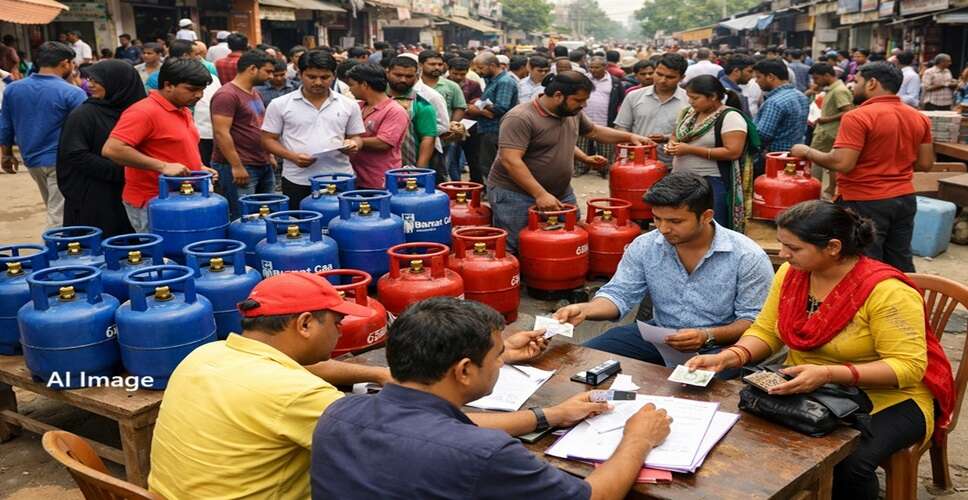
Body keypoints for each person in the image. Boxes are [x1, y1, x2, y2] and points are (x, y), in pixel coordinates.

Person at [686, 200, 955, 500]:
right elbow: (765, 330)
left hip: (891, 396)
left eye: (794, 248)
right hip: (810, 386)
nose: (783, 254)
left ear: (833, 247)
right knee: (741, 435)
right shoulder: (791, 273)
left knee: (849, 463)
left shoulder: (887, 292)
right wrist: (730, 356)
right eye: (782, 244)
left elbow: (907, 368)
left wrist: (828, 373)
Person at [312, 297, 673, 500]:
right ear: (464, 370)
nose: (502, 362)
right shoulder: (484, 455)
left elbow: (439, 428)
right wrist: (638, 439)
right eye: (498, 355)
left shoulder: (337, 414)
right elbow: (594, 496)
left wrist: (551, 415)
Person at [148, 272, 394, 499]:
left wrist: (380, 374)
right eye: (337, 323)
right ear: (305, 324)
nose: (339, 332)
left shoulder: (204, 354)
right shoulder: (298, 394)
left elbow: (300, 367)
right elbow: (386, 450)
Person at [556, 172, 773, 370]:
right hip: (658, 337)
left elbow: (753, 321)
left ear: (706, 216)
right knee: (582, 359)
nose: (663, 229)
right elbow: (620, 293)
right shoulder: (646, 245)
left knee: (694, 393)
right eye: (657, 218)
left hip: (720, 348)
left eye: (675, 221)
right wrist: (586, 310)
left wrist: (708, 335)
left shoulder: (747, 257)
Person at [791, 62, 933, 272]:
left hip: (865, 200)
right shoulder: (919, 116)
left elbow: (843, 163)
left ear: (872, 83)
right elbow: (925, 163)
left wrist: (806, 151)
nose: (853, 87)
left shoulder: (858, 116)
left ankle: (871, 304)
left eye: (856, 81)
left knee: (865, 264)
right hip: (904, 198)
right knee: (900, 259)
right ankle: (906, 301)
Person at [485, 71, 650, 252]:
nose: (583, 105)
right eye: (579, 100)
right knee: (519, 245)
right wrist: (540, 194)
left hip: (560, 192)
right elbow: (510, 160)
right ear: (558, 96)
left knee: (571, 239)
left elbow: (594, 132)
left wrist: (630, 137)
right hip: (516, 194)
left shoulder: (571, 112)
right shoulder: (520, 117)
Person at [102, 58, 215, 232]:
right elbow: (112, 149)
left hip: (182, 199)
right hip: (152, 201)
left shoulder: (183, 109)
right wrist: (162, 166)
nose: (199, 95)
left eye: (202, 90)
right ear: (168, 85)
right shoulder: (144, 111)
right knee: (163, 256)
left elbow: (173, 148)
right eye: (192, 89)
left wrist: (199, 167)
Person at [261, 50, 364, 209]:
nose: (318, 82)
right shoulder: (280, 104)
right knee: (300, 226)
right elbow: (267, 139)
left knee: (340, 226)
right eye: (312, 77)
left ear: (333, 75)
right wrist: (293, 157)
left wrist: (353, 144)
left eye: (324, 77)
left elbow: (356, 136)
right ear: (300, 74)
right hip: (298, 179)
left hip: (339, 178)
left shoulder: (348, 104)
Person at [0, 42, 86, 228]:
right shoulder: (73, 93)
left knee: (54, 207)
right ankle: (55, 252)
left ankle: (63, 247)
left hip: (32, 158)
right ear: (65, 63)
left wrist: (6, 153)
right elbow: (84, 129)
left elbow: (5, 125)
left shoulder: (13, 89)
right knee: (59, 214)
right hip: (63, 160)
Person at [57, 60, 145, 237]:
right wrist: (122, 170)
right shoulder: (84, 115)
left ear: (118, 82)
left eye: (97, 81)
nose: (90, 85)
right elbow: (75, 153)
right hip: (97, 193)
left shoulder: (140, 111)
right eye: (89, 80)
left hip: (137, 189)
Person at [666, 76, 750, 229]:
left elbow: (733, 152)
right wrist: (672, 145)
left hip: (711, 183)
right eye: (689, 97)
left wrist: (689, 149)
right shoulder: (689, 114)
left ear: (713, 97)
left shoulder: (730, 117)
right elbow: (675, 135)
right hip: (682, 181)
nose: (690, 102)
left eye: (695, 98)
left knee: (710, 227)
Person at [210, 50, 276, 220]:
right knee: (244, 218)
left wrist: (269, 155)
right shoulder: (227, 95)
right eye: (267, 71)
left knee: (267, 215)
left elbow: (258, 126)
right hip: (240, 166)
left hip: (261, 162)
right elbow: (221, 132)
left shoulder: (255, 93)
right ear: (252, 69)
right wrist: (236, 165)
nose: (270, 76)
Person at [614, 52, 689, 165]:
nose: (662, 80)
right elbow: (622, 128)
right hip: (638, 163)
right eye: (659, 74)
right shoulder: (634, 96)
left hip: (675, 166)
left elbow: (694, 135)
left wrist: (666, 138)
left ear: (682, 78)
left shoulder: (689, 101)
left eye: (670, 77)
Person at [346, 63, 408, 189]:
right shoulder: (358, 107)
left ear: (364, 84)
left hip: (380, 180)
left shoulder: (394, 110)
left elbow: (384, 142)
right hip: (356, 177)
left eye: (352, 85)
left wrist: (355, 142)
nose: (350, 90)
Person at [467, 51, 517, 181]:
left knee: (491, 166)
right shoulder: (491, 80)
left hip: (495, 130)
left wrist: (480, 107)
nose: (478, 71)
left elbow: (501, 107)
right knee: (486, 164)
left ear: (493, 65)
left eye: (481, 68)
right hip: (487, 129)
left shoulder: (504, 82)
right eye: (476, 68)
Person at [807, 63, 853, 201]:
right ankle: (826, 190)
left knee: (816, 161)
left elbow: (848, 111)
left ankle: (816, 192)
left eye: (817, 79)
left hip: (828, 132)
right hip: (826, 131)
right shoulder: (832, 89)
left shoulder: (839, 90)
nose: (815, 82)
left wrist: (825, 119)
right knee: (828, 164)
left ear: (827, 75)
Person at [420, 49, 467, 182]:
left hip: (444, 136)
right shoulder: (415, 85)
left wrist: (451, 125)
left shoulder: (451, 86)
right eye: (432, 64)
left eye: (440, 64)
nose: (437, 67)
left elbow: (459, 107)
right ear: (421, 65)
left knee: (441, 169)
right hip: (421, 135)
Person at [574, 55, 624, 177]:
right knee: (581, 146)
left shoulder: (614, 82)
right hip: (584, 121)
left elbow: (621, 101)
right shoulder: (583, 80)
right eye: (591, 67)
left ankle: (605, 170)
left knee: (606, 150)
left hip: (605, 122)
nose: (593, 70)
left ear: (605, 67)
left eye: (596, 67)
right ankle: (580, 169)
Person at [385, 56, 437, 170]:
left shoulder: (422, 105)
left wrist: (420, 169)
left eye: (409, 76)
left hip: (408, 167)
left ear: (417, 77)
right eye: (398, 75)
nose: (403, 80)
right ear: (387, 72)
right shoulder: (375, 98)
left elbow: (428, 138)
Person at [753, 59, 809, 154]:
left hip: (776, 156)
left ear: (770, 77)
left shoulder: (774, 102)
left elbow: (763, 134)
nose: (756, 81)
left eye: (759, 77)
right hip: (796, 152)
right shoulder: (801, 96)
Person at [448, 57, 483, 183]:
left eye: (462, 74)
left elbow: (477, 104)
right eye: (455, 73)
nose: (458, 77)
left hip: (470, 128)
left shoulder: (473, 85)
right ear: (449, 70)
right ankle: (455, 185)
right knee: (451, 159)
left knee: (473, 159)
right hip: (450, 127)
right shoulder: (444, 84)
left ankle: (477, 187)